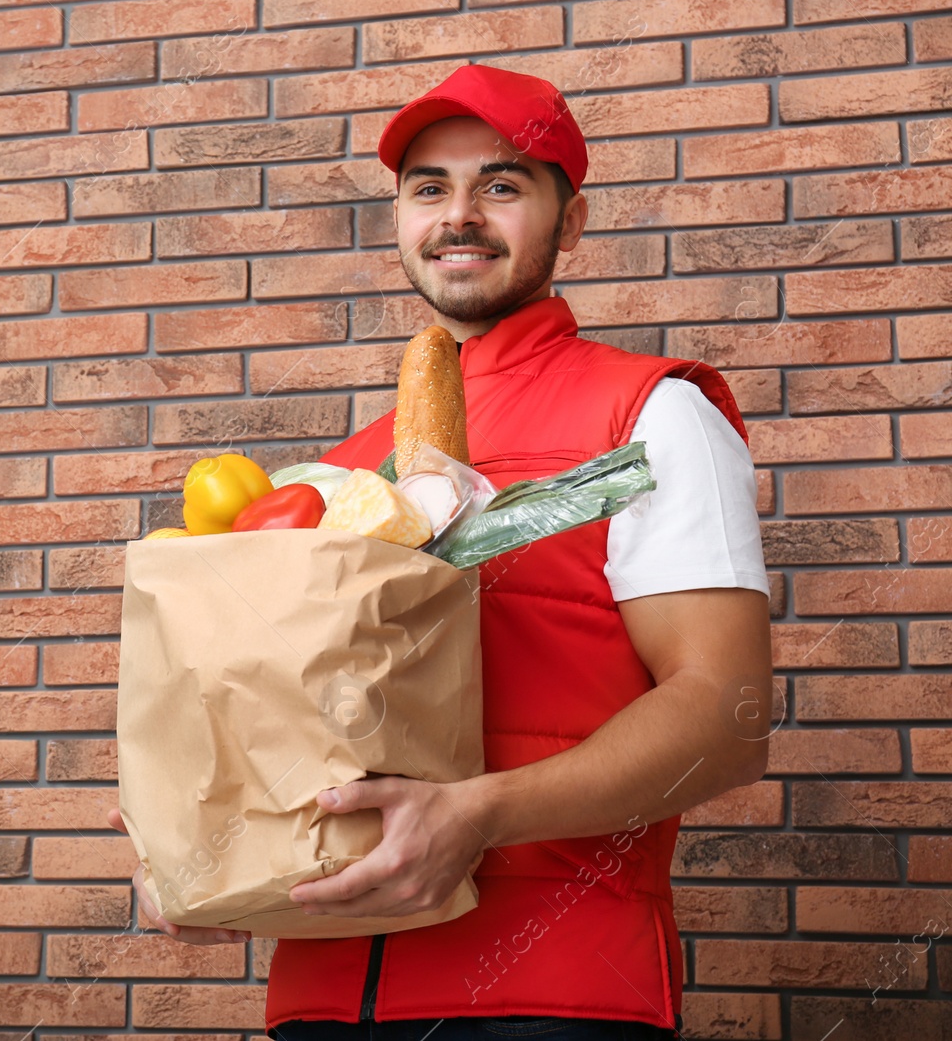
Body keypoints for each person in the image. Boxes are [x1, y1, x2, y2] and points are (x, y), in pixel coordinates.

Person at [107, 62, 775, 1040]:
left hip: (552, 996)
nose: (458, 214)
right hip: (320, 999)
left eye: (500, 185)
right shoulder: (339, 475)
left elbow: (727, 715)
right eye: (429, 188)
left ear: (571, 221)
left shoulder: (650, 416)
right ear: (399, 220)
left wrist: (479, 813)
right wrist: (200, 837)